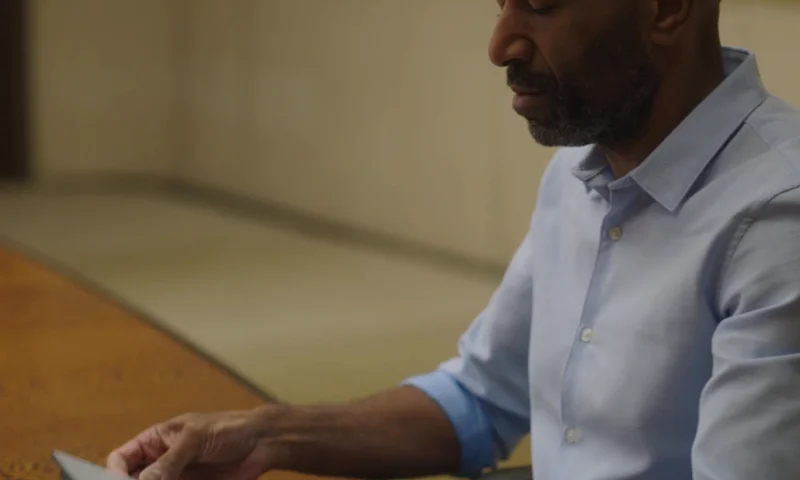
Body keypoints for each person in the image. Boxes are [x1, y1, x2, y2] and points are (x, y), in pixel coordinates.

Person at [107, 0, 800, 479]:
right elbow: (477, 399)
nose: (501, 45)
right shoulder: (578, 174)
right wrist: (263, 435)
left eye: (541, 4)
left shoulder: (777, 219)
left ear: (666, 8)